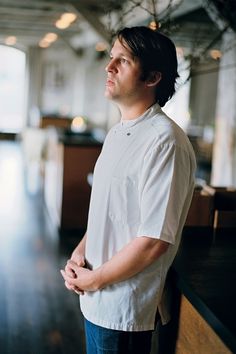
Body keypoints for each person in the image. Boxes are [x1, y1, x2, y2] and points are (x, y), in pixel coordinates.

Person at [61, 26, 196, 354]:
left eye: (123, 61)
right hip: (95, 295)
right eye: (111, 58)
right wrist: (80, 253)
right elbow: (109, 211)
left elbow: (154, 241)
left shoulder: (165, 141)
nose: (109, 67)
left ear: (152, 77)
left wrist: (95, 280)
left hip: (123, 308)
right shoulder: (118, 132)